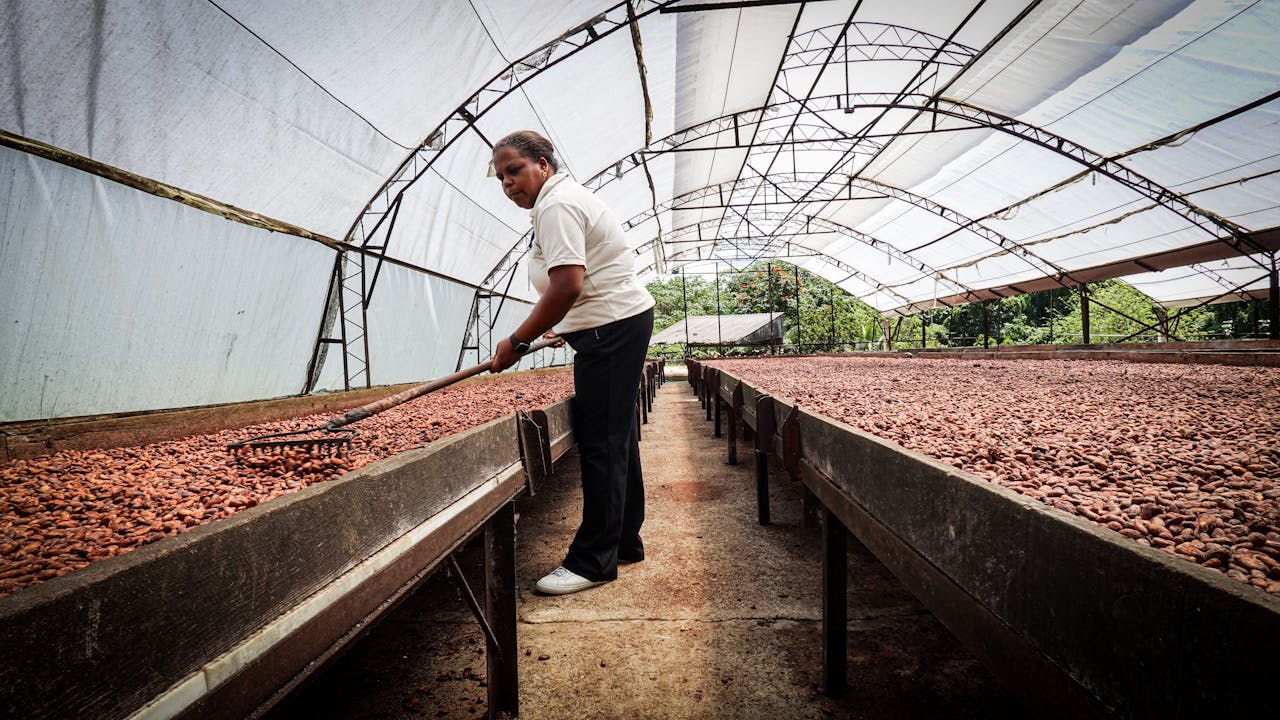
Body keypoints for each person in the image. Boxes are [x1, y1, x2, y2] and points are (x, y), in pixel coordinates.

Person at [489, 130, 655, 595]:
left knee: (601, 440)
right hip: (610, 324)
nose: (508, 184)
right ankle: (623, 541)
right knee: (615, 436)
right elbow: (579, 286)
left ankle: (592, 561)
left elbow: (568, 285)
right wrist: (566, 325)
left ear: (543, 164)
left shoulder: (556, 206)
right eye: (502, 177)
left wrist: (517, 341)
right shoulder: (556, 203)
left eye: (515, 170)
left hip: (610, 327)